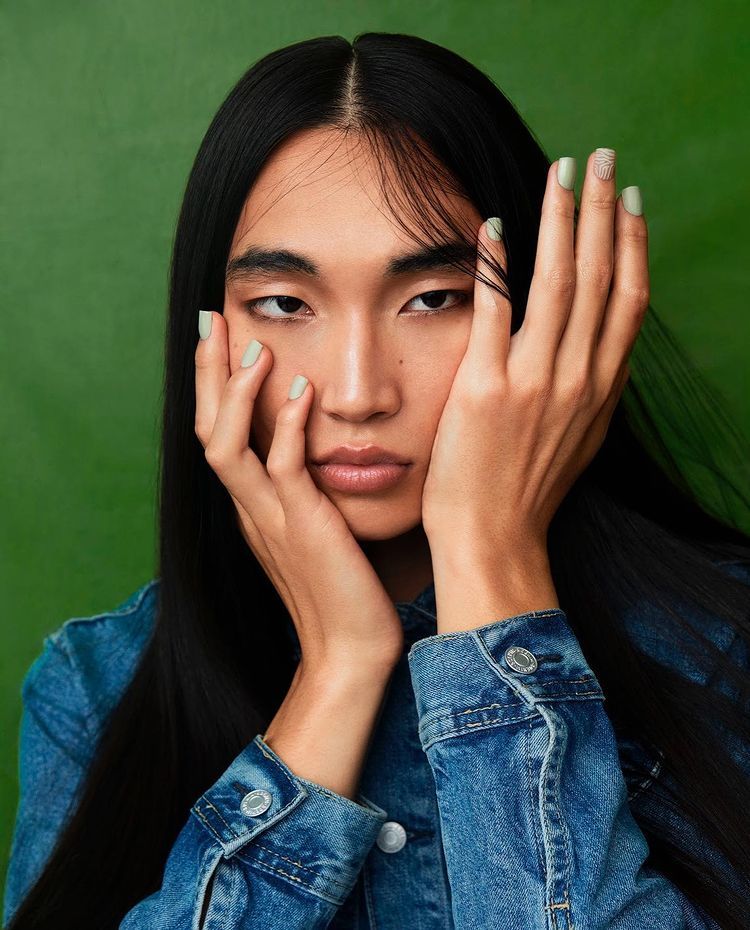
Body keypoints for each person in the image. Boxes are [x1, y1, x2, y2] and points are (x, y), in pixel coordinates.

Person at [4, 31, 750, 930]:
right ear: (208, 334)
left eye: (434, 298)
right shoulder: (93, 689)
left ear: (548, 313)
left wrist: (491, 555)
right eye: (283, 303)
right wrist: (339, 670)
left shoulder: (722, 651)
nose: (358, 393)